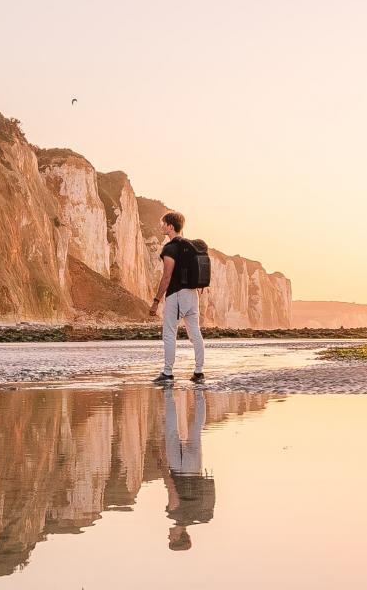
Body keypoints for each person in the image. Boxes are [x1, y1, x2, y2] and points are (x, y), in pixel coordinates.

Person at [150, 210, 204, 383]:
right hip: (193, 295)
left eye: (163, 223)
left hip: (177, 295)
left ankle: (167, 373)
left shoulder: (170, 248)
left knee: (169, 333)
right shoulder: (190, 246)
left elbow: (166, 277)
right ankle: (199, 372)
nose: (161, 226)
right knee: (195, 333)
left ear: (170, 227)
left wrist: (156, 301)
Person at [162, 385, 214, 550]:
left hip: (194, 469)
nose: (168, 535)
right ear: (178, 537)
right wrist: (162, 469)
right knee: (171, 431)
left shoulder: (195, 513)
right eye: (171, 538)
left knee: (196, 430)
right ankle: (168, 393)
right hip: (177, 469)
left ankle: (199, 393)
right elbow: (172, 491)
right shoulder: (175, 514)